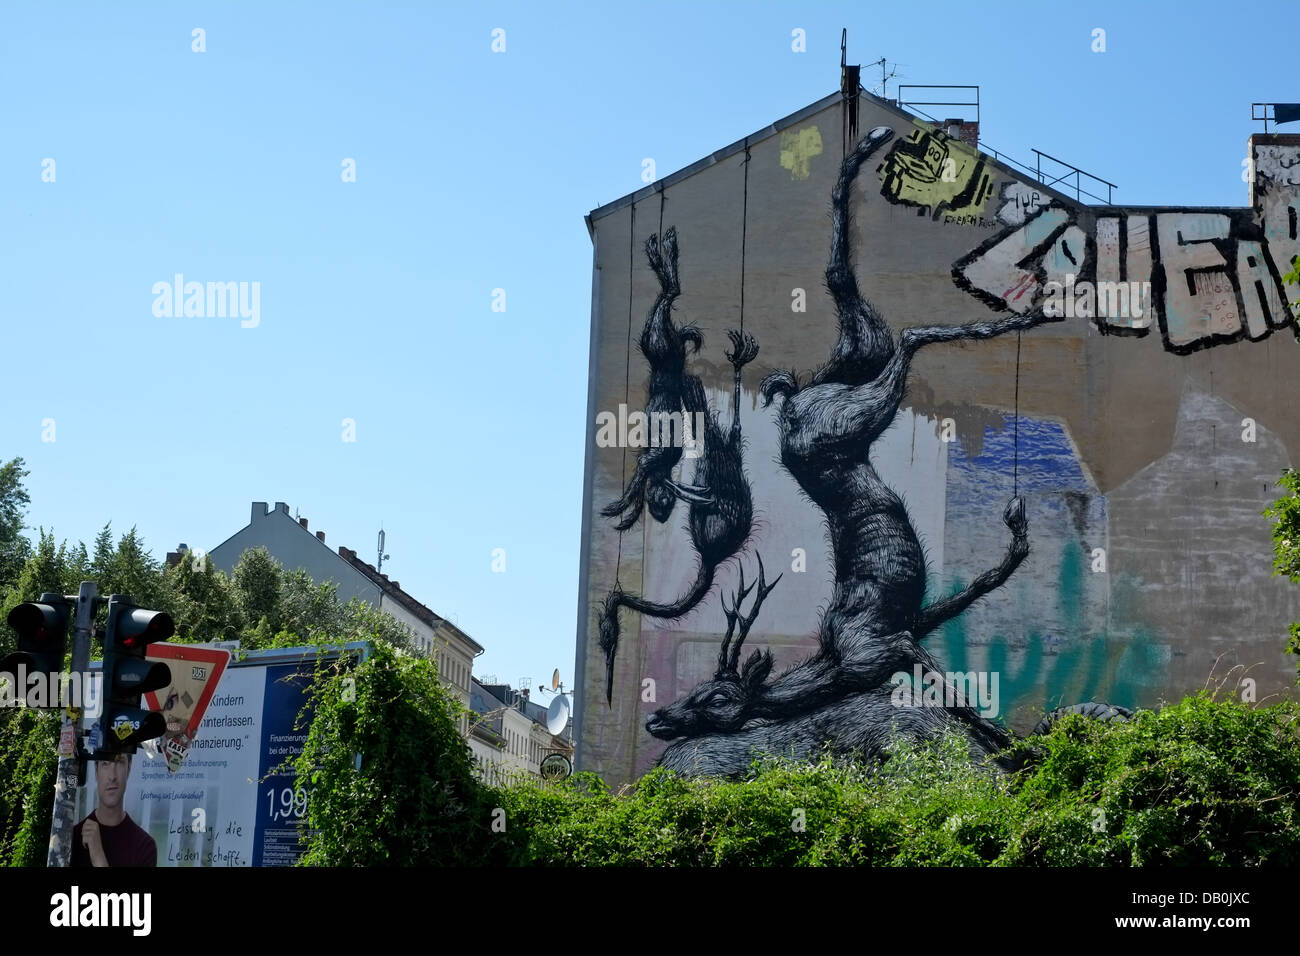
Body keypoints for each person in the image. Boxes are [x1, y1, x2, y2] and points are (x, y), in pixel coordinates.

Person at [72, 752, 157, 867]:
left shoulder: (144, 847)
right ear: (96, 771)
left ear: (129, 768)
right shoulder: (73, 839)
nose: (112, 776)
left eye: (119, 762)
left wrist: (98, 857)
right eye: (105, 763)